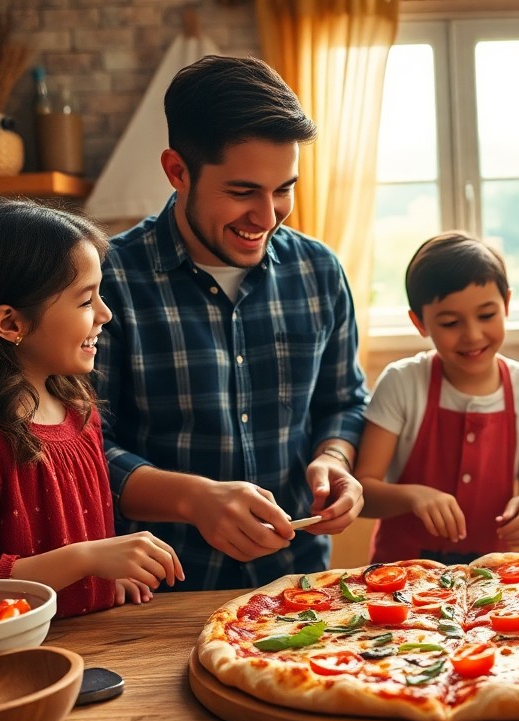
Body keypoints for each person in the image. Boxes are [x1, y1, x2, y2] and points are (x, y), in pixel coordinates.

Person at [96, 55, 369, 590]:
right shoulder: (108, 282)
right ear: (177, 171)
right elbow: (77, 451)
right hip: (160, 595)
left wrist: (334, 459)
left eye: (284, 189)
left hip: (299, 587)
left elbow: (344, 401)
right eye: (243, 192)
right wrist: (192, 499)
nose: (267, 217)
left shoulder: (318, 271)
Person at [0, 197, 183, 618]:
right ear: (11, 324)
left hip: (96, 642)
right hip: (13, 665)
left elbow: (76, 547)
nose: (105, 314)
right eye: (85, 300)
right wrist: (84, 560)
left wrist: (104, 575)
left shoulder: (77, 407)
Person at [354, 232, 519, 564]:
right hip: (402, 574)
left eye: (486, 315)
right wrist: (413, 497)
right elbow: (362, 493)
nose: (473, 335)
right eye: (451, 322)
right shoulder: (401, 382)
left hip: (497, 577)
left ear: (507, 304)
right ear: (419, 323)